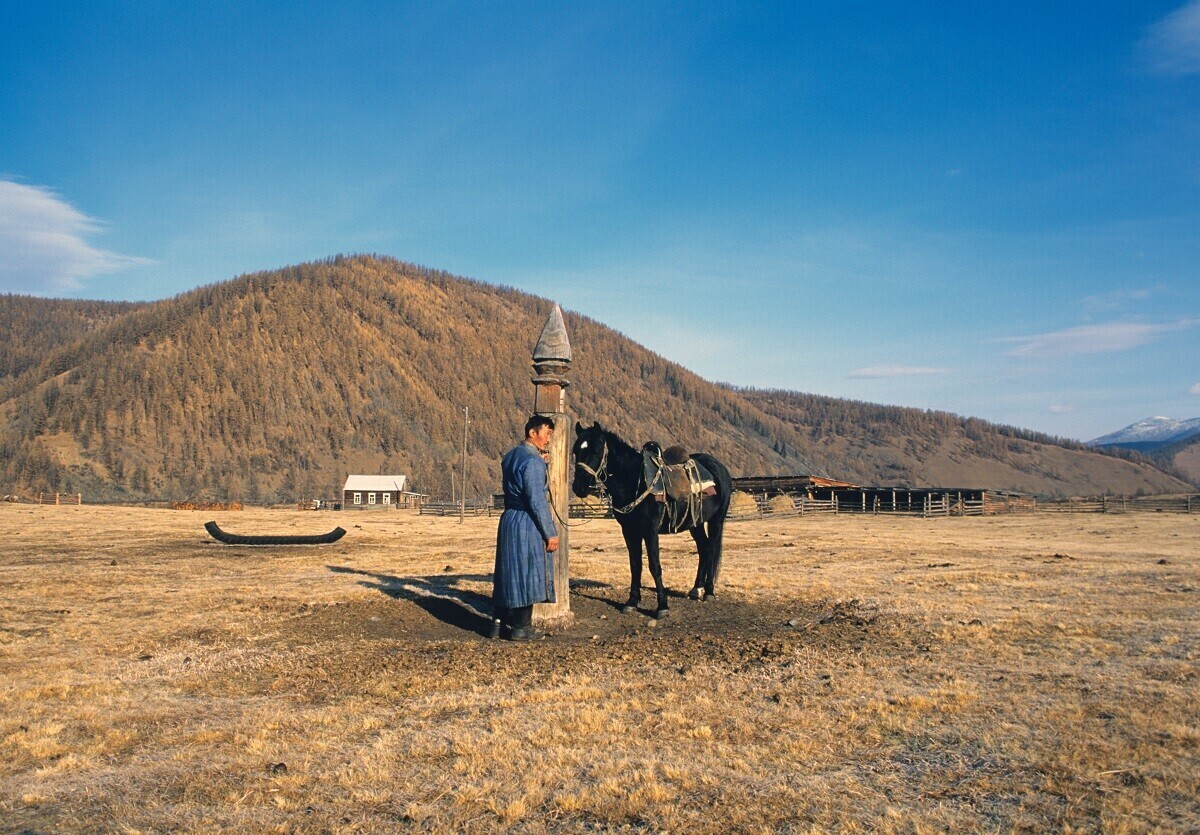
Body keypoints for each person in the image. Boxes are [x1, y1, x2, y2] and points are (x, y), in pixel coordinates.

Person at [491, 415, 560, 640]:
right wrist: (550, 532)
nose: (548, 439)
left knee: (507, 572)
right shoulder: (533, 462)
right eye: (547, 434)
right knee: (528, 570)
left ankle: (497, 625)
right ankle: (521, 627)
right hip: (526, 521)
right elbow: (536, 500)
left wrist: (542, 463)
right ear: (533, 433)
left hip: (509, 518)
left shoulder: (511, 456)